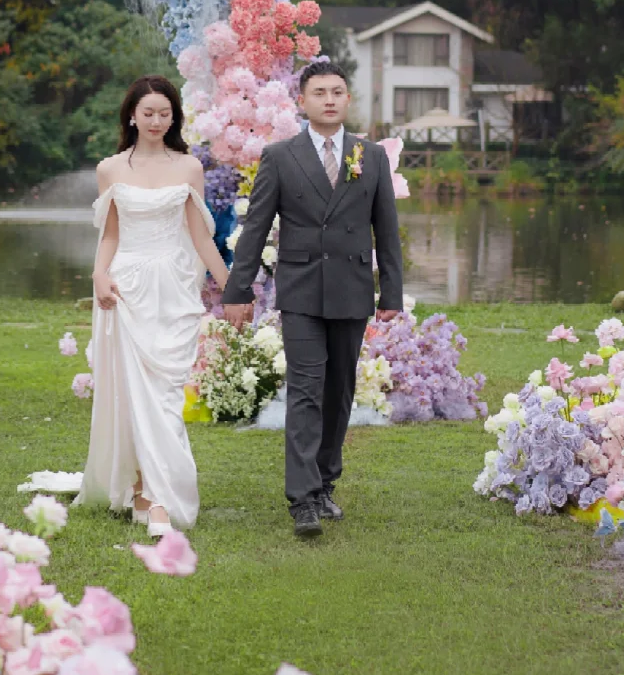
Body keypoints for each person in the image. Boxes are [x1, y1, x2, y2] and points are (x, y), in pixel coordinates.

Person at [222, 59, 403, 538]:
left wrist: (393, 292)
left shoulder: (372, 156)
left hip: (353, 288)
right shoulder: (280, 156)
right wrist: (238, 289)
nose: (328, 99)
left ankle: (325, 482)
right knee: (304, 390)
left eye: (337, 92)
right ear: (301, 101)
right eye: (319, 92)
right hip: (300, 289)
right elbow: (256, 227)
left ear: (347, 99)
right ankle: (301, 498)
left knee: (339, 390)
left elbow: (386, 229)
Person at [74, 75, 230, 537]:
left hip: (175, 285)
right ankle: (153, 496)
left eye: (165, 113)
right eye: (149, 113)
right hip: (128, 284)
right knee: (133, 392)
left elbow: (201, 234)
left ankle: (150, 488)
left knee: (164, 392)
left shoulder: (189, 168)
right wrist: (99, 275)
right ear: (132, 116)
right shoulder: (110, 169)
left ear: (174, 117)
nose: (157, 121)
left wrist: (232, 286)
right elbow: (112, 234)